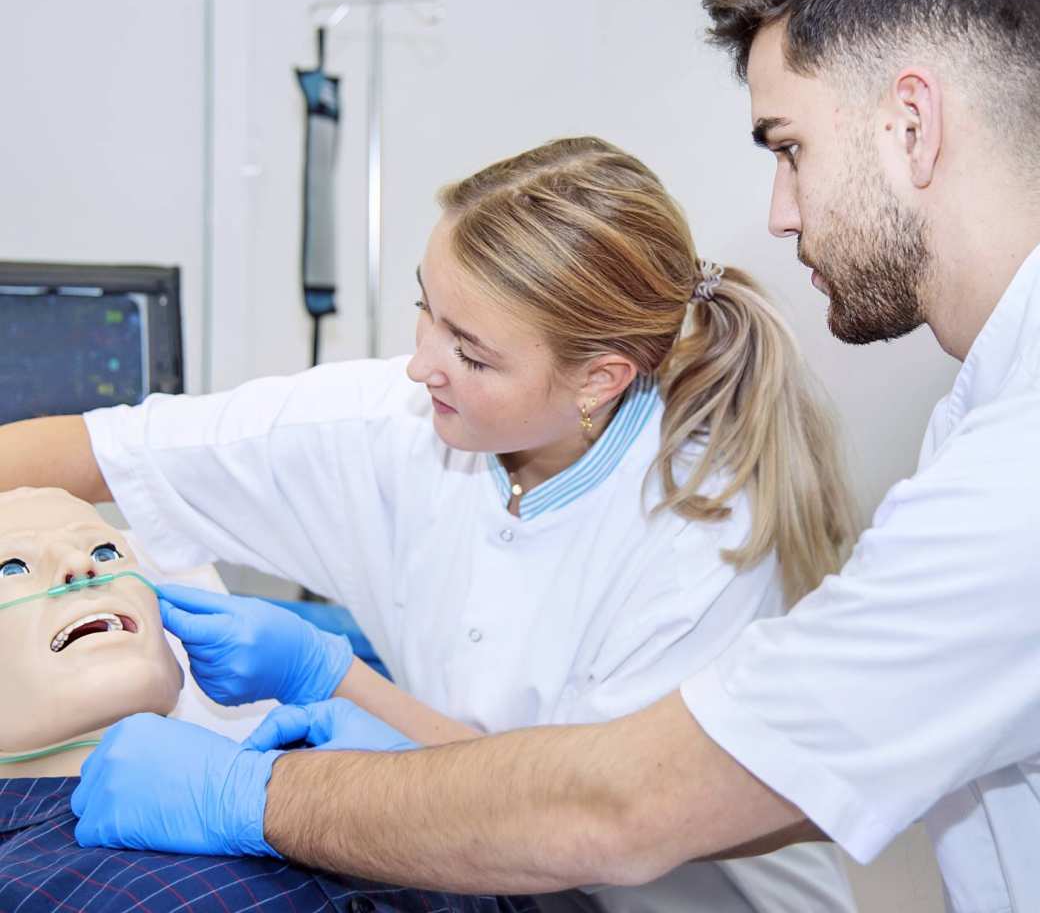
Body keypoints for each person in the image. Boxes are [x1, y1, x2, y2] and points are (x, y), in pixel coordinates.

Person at [56, 0, 1040, 911]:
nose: (779, 211)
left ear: (911, 123)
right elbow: (812, 758)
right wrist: (344, 689)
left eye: (788, 147)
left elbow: (619, 810)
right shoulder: (983, 418)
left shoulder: (1009, 482)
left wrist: (251, 792)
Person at [0, 137, 859, 911]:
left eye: (471, 352)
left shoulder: (702, 539)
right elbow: (102, 450)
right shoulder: (396, 419)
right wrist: (338, 681)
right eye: (427, 309)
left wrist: (331, 679)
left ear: (599, 379)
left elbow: (580, 817)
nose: (421, 364)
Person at [0, 486, 530, 913]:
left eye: (105, 550)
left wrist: (411, 788)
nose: (81, 565)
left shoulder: (335, 763)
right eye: (12, 568)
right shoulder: (31, 885)